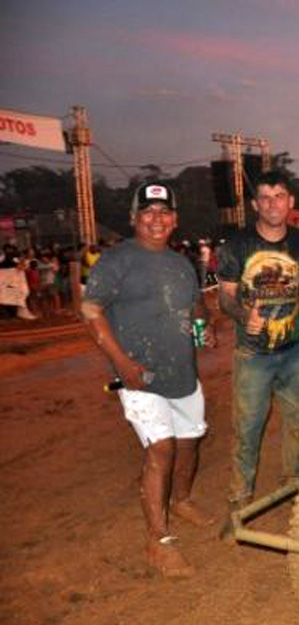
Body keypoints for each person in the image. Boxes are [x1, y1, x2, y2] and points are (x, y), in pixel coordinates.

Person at [82, 181, 215, 578]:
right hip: (138, 375)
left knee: (190, 444)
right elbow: (90, 310)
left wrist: (201, 329)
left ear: (174, 220)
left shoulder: (181, 264)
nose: (156, 219)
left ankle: (183, 500)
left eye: (164, 213)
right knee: (162, 449)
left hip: (182, 373)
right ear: (134, 218)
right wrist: (121, 362)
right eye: (148, 212)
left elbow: (196, 307)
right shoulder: (116, 260)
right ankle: (158, 541)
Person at [217, 171, 299, 523]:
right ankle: (239, 500)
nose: (272, 204)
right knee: (247, 428)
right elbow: (226, 297)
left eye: (279, 196)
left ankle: (294, 486)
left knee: (297, 422)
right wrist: (242, 312)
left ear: (290, 202)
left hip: (294, 351)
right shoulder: (236, 245)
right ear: (254, 204)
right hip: (253, 355)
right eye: (264, 197)